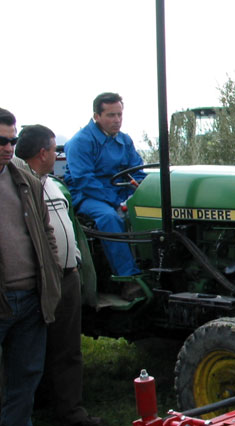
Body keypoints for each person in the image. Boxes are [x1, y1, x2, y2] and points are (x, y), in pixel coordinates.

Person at [13, 125, 102, 426]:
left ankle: (70, 410)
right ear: (43, 153)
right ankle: (28, 415)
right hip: (38, 280)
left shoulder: (54, 185)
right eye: (54, 149)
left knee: (68, 348)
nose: (56, 154)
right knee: (29, 351)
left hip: (68, 276)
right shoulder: (17, 185)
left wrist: (76, 263)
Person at [0, 108, 62, 426]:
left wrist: (51, 273)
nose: (8, 147)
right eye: (1, 141)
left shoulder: (24, 179)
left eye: (11, 140)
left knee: (25, 374)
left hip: (30, 296)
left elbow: (46, 233)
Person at [65, 92, 145, 299]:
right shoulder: (80, 142)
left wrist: (139, 191)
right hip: (87, 195)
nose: (117, 120)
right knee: (109, 217)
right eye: (111, 115)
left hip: (119, 191)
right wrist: (116, 201)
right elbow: (83, 180)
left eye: (119, 114)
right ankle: (129, 278)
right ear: (96, 116)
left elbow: (137, 171)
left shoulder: (124, 140)